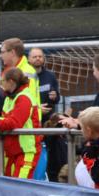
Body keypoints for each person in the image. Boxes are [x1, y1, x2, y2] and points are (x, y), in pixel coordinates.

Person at [0, 68, 37, 179]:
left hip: (26, 150)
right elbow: (5, 119)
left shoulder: (24, 98)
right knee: (11, 187)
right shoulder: (10, 97)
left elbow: (14, 122)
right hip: (14, 151)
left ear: (11, 82)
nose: (1, 85)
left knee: (20, 187)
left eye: (3, 81)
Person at [29, 47, 65, 181]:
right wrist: (37, 109)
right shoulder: (25, 76)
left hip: (49, 122)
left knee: (52, 153)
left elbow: (57, 98)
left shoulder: (50, 76)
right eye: (35, 56)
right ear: (29, 59)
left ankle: (53, 177)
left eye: (40, 56)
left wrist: (55, 96)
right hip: (33, 123)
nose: (38, 58)